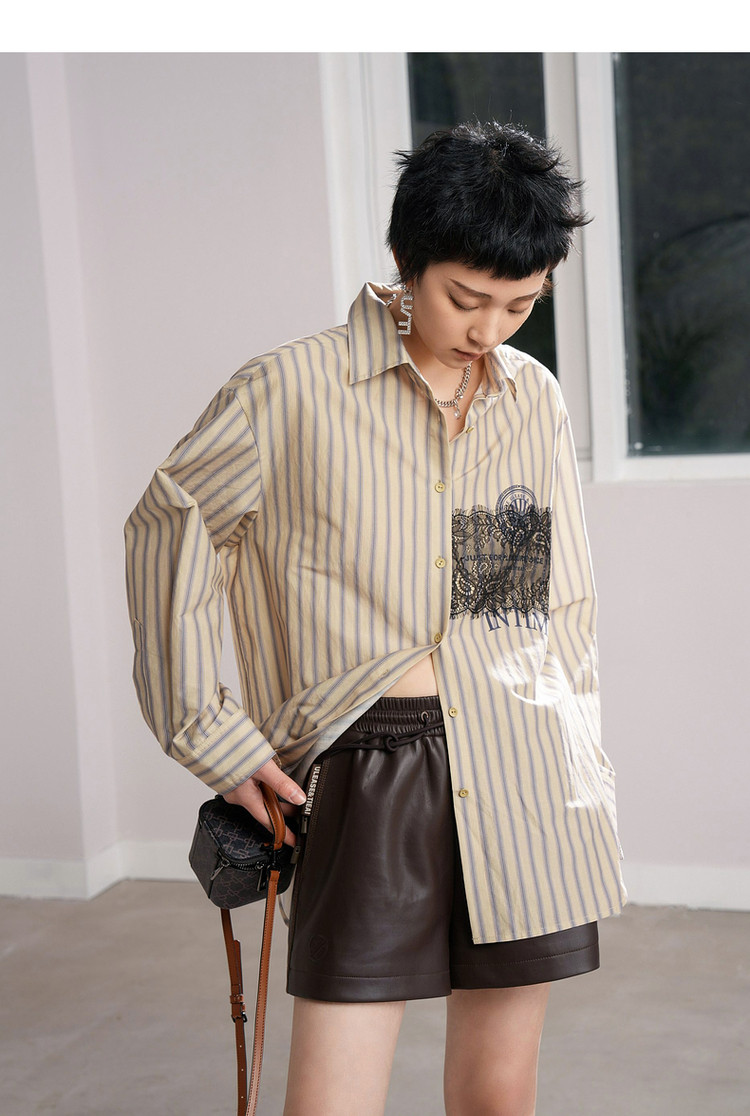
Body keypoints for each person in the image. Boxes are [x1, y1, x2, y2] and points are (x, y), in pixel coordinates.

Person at [125, 120, 626, 1116]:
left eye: (521, 305)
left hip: (522, 754)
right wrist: (211, 733)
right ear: (406, 259)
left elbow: (544, 598)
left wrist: (578, 751)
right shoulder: (287, 390)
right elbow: (169, 530)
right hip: (369, 758)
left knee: (499, 1093)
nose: (489, 330)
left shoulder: (532, 398)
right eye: (466, 299)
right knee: (334, 1100)